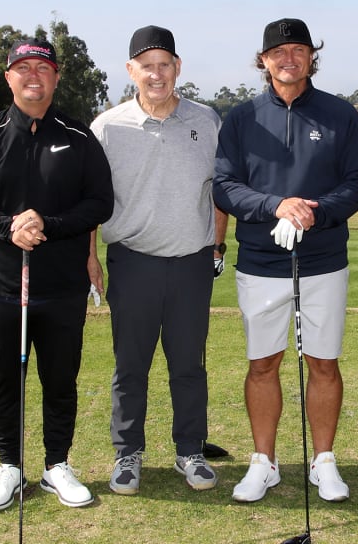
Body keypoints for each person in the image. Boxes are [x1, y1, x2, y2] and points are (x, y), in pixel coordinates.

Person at [212, 17, 358, 503]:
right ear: (263, 61)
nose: (288, 58)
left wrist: (312, 212)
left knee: (323, 363)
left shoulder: (340, 115)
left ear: (310, 57)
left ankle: (323, 460)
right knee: (263, 364)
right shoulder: (240, 119)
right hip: (261, 260)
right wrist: (275, 206)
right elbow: (224, 186)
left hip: (323, 259)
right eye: (278, 52)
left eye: (298, 50)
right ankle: (264, 462)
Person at [0, 38, 114, 511]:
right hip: (0, 286)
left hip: (62, 287)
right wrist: (8, 227)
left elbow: (99, 202)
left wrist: (49, 225)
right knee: (3, 379)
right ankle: (10, 465)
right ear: (9, 78)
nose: (33, 76)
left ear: (56, 77)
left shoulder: (79, 137)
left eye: (42, 68)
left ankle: (56, 465)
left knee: (60, 379)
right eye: (22, 68)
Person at [88, 25, 227, 494]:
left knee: (188, 363)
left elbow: (220, 191)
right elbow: (92, 200)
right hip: (132, 260)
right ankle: (128, 453)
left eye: (164, 64)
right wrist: (92, 258)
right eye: (146, 66)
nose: (156, 74)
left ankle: (190, 450)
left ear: (177, 68)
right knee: (131, 365)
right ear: (131, 71)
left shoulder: (206, 120)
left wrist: (217, 245)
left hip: (191, 262)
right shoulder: (107, 127)